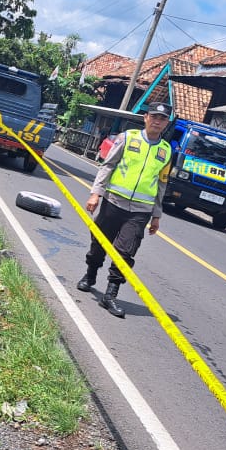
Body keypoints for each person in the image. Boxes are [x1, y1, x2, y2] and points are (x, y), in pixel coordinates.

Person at [76, 102, 174, 318]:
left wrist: (156, 215)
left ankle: (110, 294)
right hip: (114, 202)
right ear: (146, 117)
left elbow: (161, 184)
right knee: (99, 242)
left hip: (141, 211)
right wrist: (96, 193)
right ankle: (90, 275)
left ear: (167, 123)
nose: (158, 121)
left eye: (163, 118)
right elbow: (108, 165)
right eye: (154, 116)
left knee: (126, 252)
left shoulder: (166, 151)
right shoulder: (127, 138)